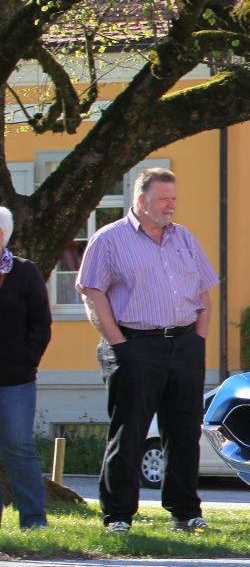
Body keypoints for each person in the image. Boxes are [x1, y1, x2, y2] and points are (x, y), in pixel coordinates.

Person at [76, 169, 218, 533]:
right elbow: (92, 294)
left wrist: (198, 339)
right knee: (129, 433)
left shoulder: (183, 238)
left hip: (184, 345)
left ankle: (185, 513)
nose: (171, 206)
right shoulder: (109, 239)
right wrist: (119, 345)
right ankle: (118, 516)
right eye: (163, 199)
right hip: (134, 345)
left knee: (184, 433)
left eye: (174, 199)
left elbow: (204, 291)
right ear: (141, 200)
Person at [0, 207, 52, 530]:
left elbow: (41, 324)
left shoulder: (25, 272)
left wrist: (26, 359)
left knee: (19, 446)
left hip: (16, 379)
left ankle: (34, 520)